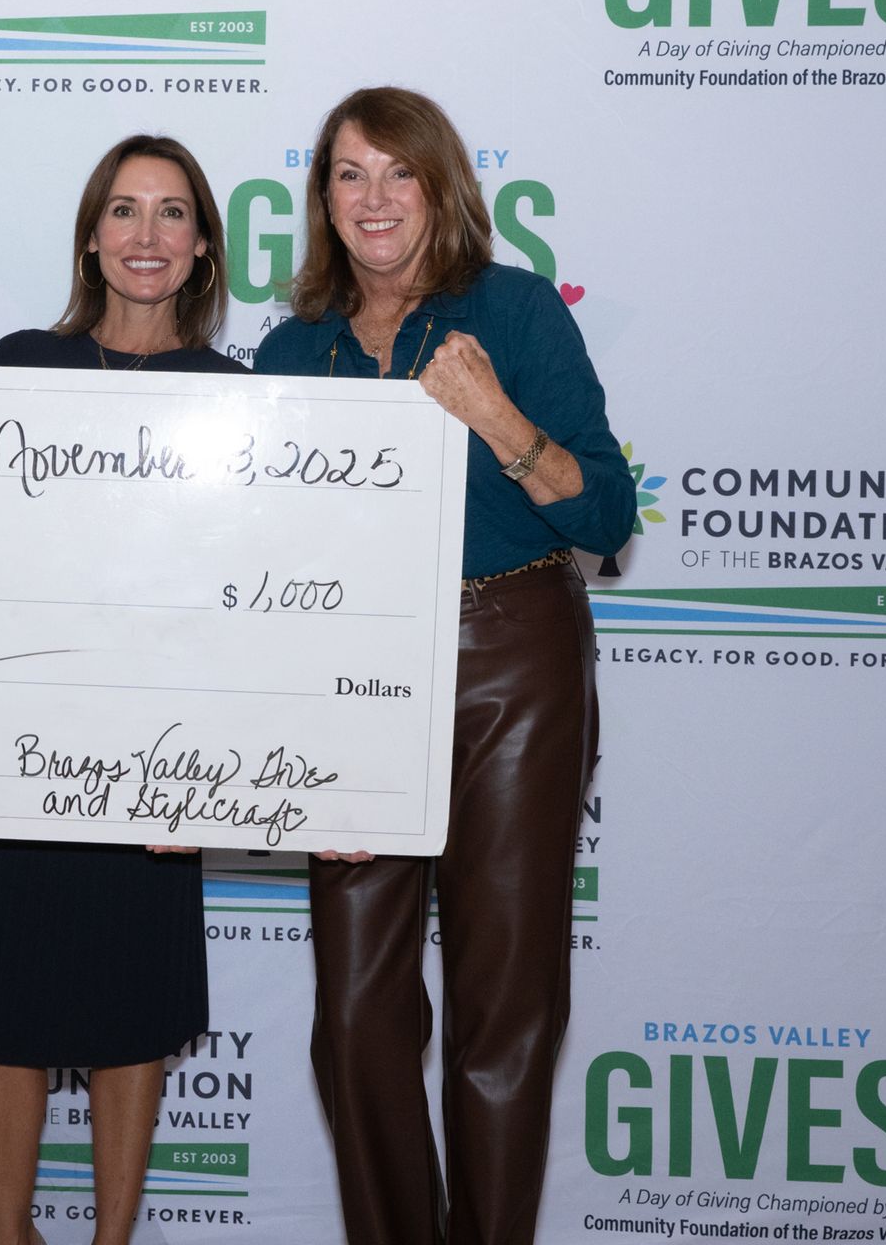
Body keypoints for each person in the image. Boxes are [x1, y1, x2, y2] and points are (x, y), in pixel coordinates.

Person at [254, 87, 636, 1245]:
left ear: (442, 186)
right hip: (352, 674)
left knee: (501, 1004)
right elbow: (262, 554)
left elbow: (606, 514)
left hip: (510, 660)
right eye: (349, 174)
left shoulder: (512, 310)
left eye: (398, 172)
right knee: (353, 1011)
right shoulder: (292, 348)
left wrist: (497, 417)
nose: (374, 198)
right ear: (323, 199)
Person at [0, 134, 244, 1245]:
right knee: (3, 994)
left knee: (132, 1000)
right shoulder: (20, 362)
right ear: (90, 238)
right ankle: (7, 1236)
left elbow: (247, 588)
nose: (146, 235)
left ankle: (115, 1239)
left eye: (172, 213)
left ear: (202, 247)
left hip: (160, 742)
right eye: (124, 210)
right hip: (15, 729)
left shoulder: (239, 397)